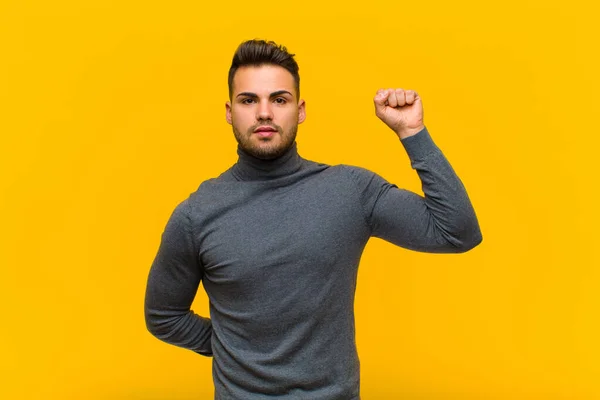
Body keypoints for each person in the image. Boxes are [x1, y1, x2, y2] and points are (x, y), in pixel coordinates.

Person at [144, 39, 482, 400]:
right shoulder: (197, 214)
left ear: (300, 109)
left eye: (279, 99)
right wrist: (232, 344)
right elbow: (163, 315)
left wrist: (412, 133)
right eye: (248, 100)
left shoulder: (350, 190)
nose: (264, 113)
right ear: (229, 111)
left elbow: (457, 232)